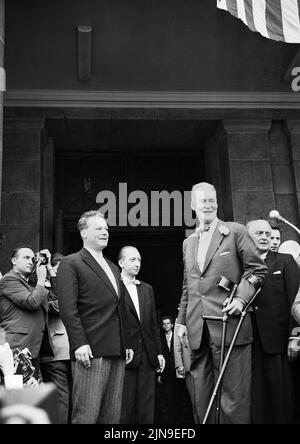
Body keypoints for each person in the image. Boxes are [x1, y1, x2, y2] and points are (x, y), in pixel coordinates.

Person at [176, 182, 267, 424]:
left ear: (217, 203)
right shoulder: (188, 242)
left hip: (230, 325)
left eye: (211, 200)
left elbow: (258, 271)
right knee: (201, 398)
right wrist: (181, 322)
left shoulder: (235, 231)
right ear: (193, 205)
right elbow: (188, 287)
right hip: (197, 330)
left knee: (233, 401)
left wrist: (240, 299)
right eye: (202, 200)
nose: (208, 204)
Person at [57, 211, 133, 424]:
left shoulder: (113, 267)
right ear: (83, 233)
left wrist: (126, 342)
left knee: (111, 417)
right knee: (87, 415)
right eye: (98, 228)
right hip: (89, 349)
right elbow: (67, 308)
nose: (104, 232)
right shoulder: (71, 263)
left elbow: (120, 308)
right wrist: (79, 343)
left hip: (116, 349)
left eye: (106, 228)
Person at [247, 219, 300, 424]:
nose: (265, 237)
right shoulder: (241, 263)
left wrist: (294, 336)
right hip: (250, 341)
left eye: (268, 234)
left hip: (279, 341)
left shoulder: (285, 261)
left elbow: (295, 301)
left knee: (282, 399)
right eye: (259, 233)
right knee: (257, 400)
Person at [119, 246, 164, 424]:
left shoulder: (147, 289)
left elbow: (153, 325)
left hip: (147, 354)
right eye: (132, 260)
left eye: (139, 260)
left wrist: (159, 352)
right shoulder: (114, 286)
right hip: (126, 355)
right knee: (125, 407)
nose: (137, 263)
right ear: (121, 262)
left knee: (147, 407)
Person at [0, 247, 53, 377]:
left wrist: (50, 268)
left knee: (29, 394)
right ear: (14, 260)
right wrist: (41, 280)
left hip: (33, 347)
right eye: (26, 258)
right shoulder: (9, 279)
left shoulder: (32, 284)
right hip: (16, 346)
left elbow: (56, 299)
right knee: (15, 392)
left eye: (33, 259)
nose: (31, 262)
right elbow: (32, 302)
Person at [40, 253, 71, 425]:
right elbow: (58, 307)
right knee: (60, 397)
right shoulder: (42, 283)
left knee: (71, 397)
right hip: (55, 351)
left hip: (73, 350)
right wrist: (51, 274)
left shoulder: (73, 284)